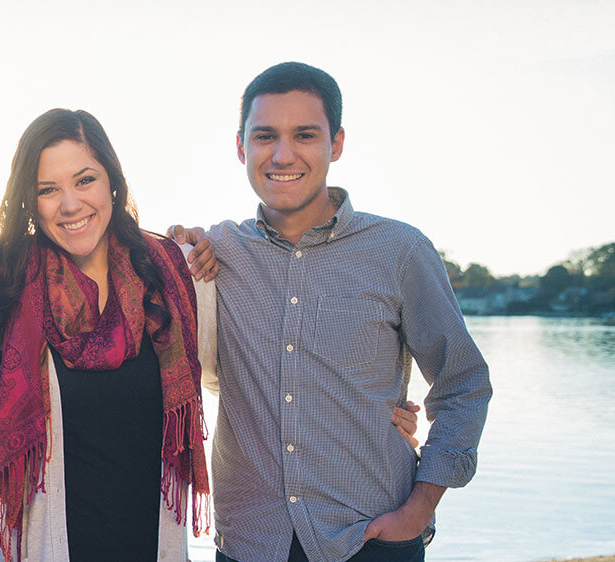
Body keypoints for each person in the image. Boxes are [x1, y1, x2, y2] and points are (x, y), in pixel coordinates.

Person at [176, 62, 492, 562]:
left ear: (336, 144)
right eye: (264, 136)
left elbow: (463, 383)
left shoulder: (399, 251)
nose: (283, 154)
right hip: (250, 544)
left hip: (370, 539)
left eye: (305, 134)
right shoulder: (217, 253)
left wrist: (419, 508)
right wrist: (182, 248)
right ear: (241, 147)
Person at [0, 109, 207, 561]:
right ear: (29, 201)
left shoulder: (172, 277)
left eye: (84, 180)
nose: (70, 205)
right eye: (47, 190)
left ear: (112, 183)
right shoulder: (0, 286)